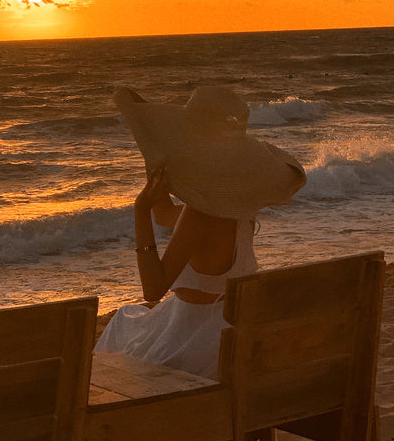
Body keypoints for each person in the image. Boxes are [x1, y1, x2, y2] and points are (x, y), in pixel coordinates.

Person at [94, 86, 306, 379]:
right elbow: (165, 215)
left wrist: (139, 209)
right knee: (127, 320)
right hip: (228, 331)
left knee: (122, 324)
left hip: (192, 343)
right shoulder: (240, 208)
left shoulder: (200, 216)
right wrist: (153, 157)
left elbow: (153, 289)